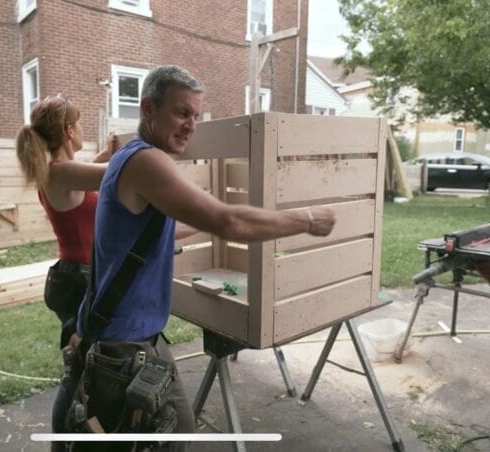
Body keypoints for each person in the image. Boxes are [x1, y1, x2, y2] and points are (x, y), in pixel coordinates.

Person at [69, 65, 336, 447]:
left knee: (169, 435)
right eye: (181, 112)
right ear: (148, 108)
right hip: (125, 349)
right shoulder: (147, 160)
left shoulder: (129, 158)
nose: (191, 125)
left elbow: (156, 231)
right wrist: (306, 219)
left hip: (123, 337)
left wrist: (207, 218)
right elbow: (228, 222)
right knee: (164, 441)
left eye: (196, 114)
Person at [15, 93, 117, 444]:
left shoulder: (57, 171)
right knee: (77, 369)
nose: (83, 130)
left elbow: (92, 170)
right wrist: (140, 148)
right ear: (69, 129)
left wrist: (106, 152)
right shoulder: (62, 173)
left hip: (73, 275)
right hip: (79, 280)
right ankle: (63, 440)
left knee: (82, 362)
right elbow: (116, 174)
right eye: (80, 124)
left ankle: (77, 434)